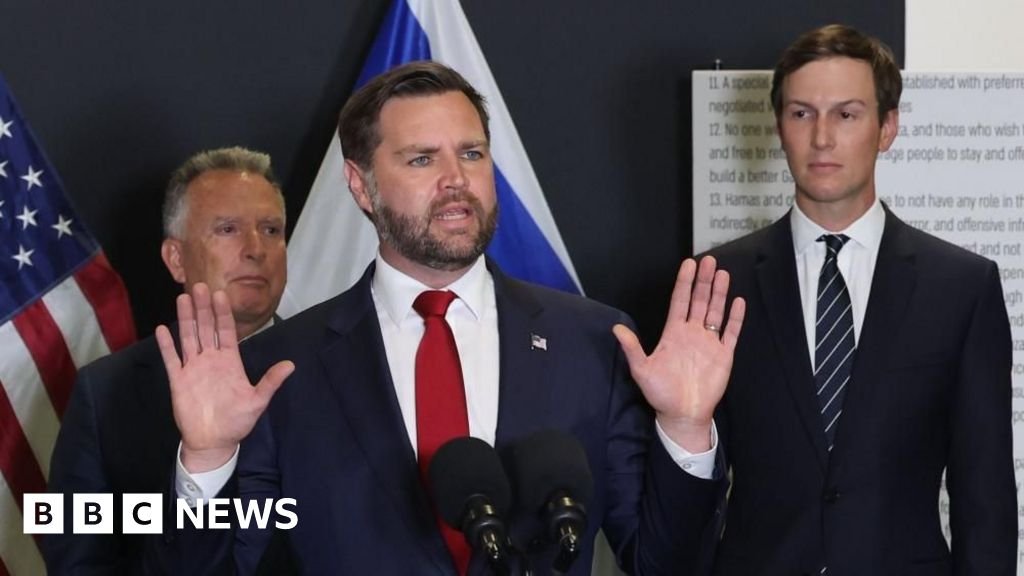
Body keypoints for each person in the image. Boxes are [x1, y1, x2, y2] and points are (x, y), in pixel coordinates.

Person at [155, 61, 745, 575]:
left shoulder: (592, 343)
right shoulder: (280, 368)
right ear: (361, 186)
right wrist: (207, 463)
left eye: (471, 153)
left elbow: (665, 564)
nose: (456, 180)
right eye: (421, 159)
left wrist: (685, 430)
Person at [706, 24, 1016, 575]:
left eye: (846, 114)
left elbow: (985, 498)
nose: (822, 137)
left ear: (887, 127)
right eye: (802, 113)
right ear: (779, 126)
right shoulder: (719, 281)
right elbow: (691, 486)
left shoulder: (961, 287)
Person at [45, 146, 288, 575]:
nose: (255, 248)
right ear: (176, 259)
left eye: (271, 229)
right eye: (228, 229)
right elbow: (79, 566)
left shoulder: (340, 367)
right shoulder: (104, 394)